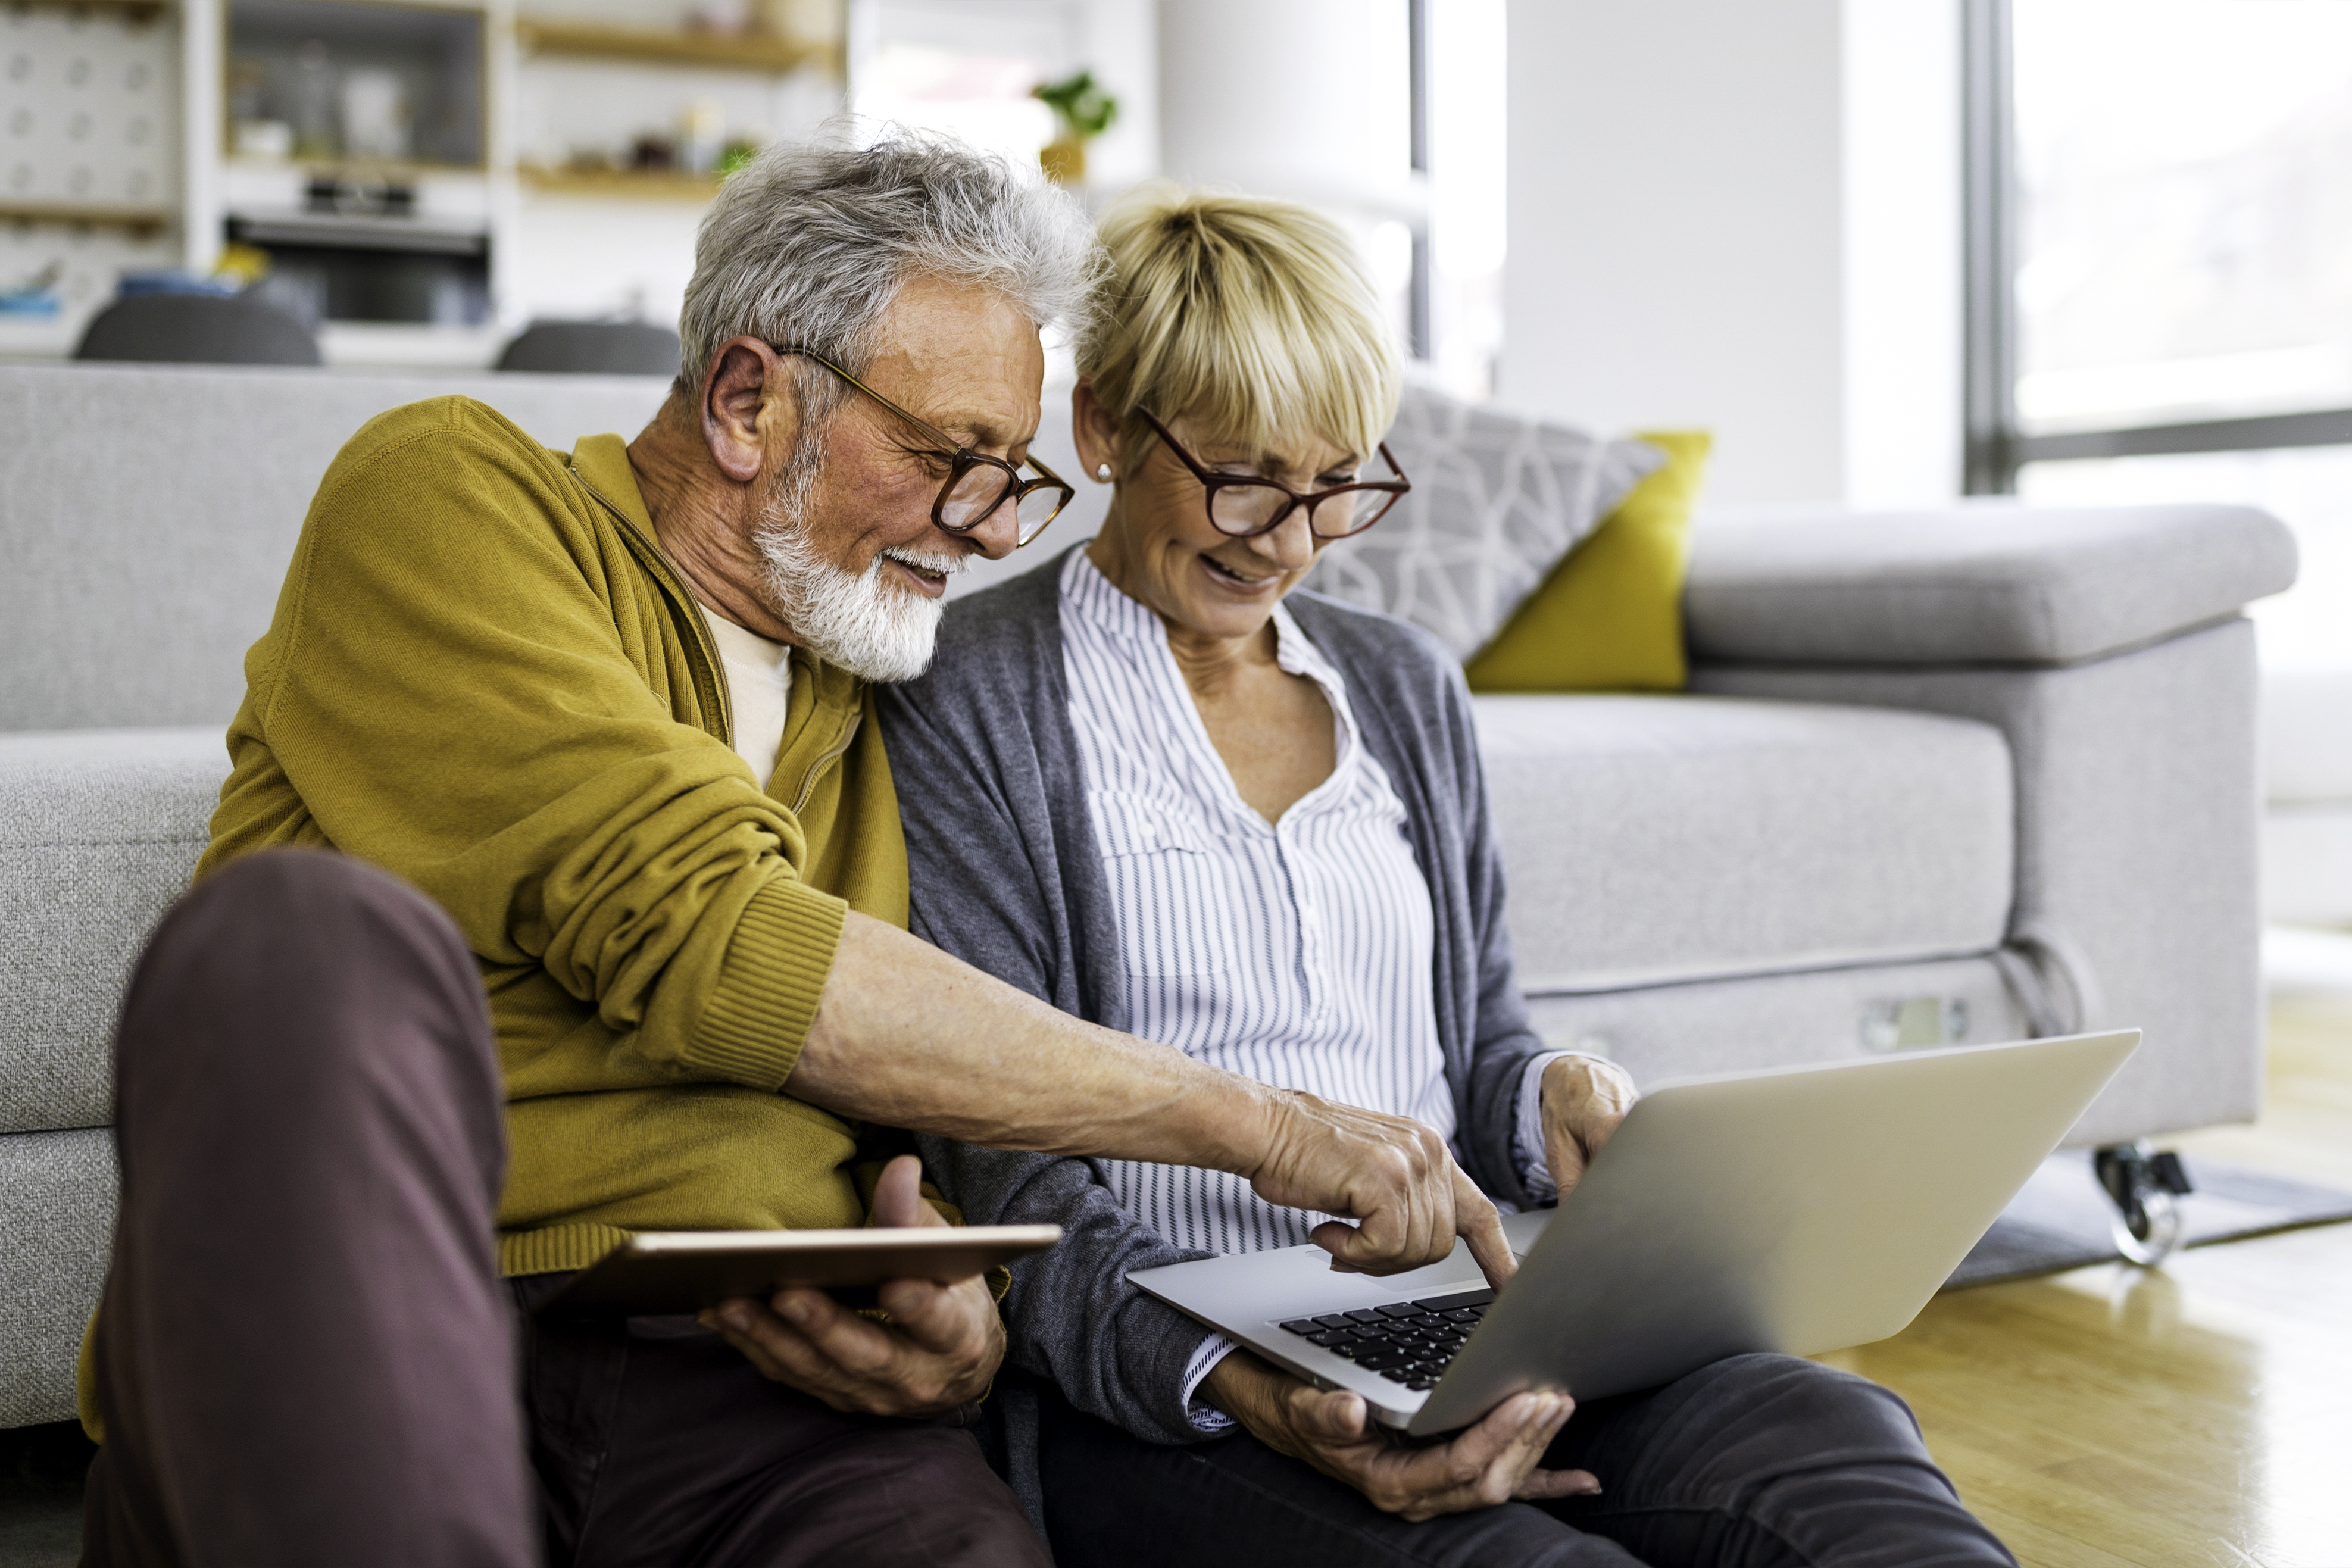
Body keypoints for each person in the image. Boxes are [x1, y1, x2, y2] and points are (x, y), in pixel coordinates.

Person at [76, 136, 1514, 1568]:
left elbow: (936, 1110)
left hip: (762, 1392)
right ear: (749, 399)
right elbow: (705, 935)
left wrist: (960, 1325)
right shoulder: (451, 494)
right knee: (298, 941)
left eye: (1011, 477)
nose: (986, 529)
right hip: (416, 1312)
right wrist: (1263, 1127)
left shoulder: (883, 683)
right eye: (952, 460)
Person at [877, 188, 2022, 1567]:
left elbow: (1477, 1048)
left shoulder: (1400, 684)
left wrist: (1551, 1096)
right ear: (1107, 426)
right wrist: (1257, 1387)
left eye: (1335, 483)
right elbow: (1010, 1182)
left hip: (1470, 1321)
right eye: (1241, 476)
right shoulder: (969, 698)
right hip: (1177, 1388)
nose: (1286, 539)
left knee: (1824, 1447)